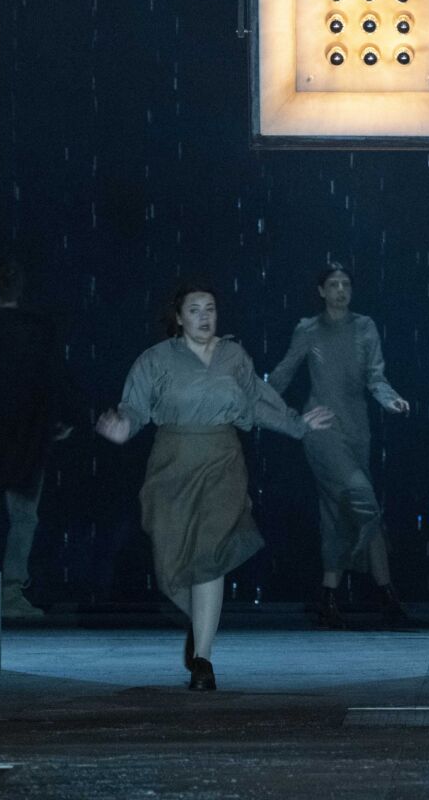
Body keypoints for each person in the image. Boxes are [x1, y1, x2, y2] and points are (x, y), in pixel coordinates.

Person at [96, 283, 332, 692]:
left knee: (209, 556)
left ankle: (203, 659)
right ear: (178, 317)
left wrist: (296, 424)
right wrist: (122, 427)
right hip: (172, 465)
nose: (204, 316)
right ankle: (200, 624)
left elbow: (256, 400)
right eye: (195, 309)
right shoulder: (155, 359)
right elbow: (134, 407)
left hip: (222, 462)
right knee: (170, 567)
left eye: (210, 308)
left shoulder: (233, 356)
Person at [268, 264, 412, 628]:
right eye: (333, 284)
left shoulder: (365, 327)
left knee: (336, 513)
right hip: (323, 431)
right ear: (321, 291)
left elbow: (376, 377)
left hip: (357, 431)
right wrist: (258, 404)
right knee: (364, 500)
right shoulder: (308, 329)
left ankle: (334, 597)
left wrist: (391, 400)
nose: (340, 290)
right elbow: (284, 372)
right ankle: (384, 594)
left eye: (346, 284)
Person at [0, 258, 74, 621]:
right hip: (28, 437)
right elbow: (54, 379)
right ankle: (10, 591)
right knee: (24, 517)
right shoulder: (40, 329)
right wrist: (58, 420)